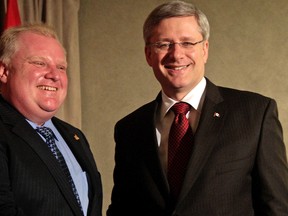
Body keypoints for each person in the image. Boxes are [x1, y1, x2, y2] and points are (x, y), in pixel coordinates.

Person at [107, 1, 288, 215]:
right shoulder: (129, 129)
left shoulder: (256, 114)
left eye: (187, 43)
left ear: (205, 49)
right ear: (148, 55)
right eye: (164, 44)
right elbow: (123, 208)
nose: (176, 54)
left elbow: (276, 207)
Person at [0, 23, 102, 216]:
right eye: (39, 63)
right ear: (4, 71)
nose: (54, 75)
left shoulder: (74, 136)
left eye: (61, 67)